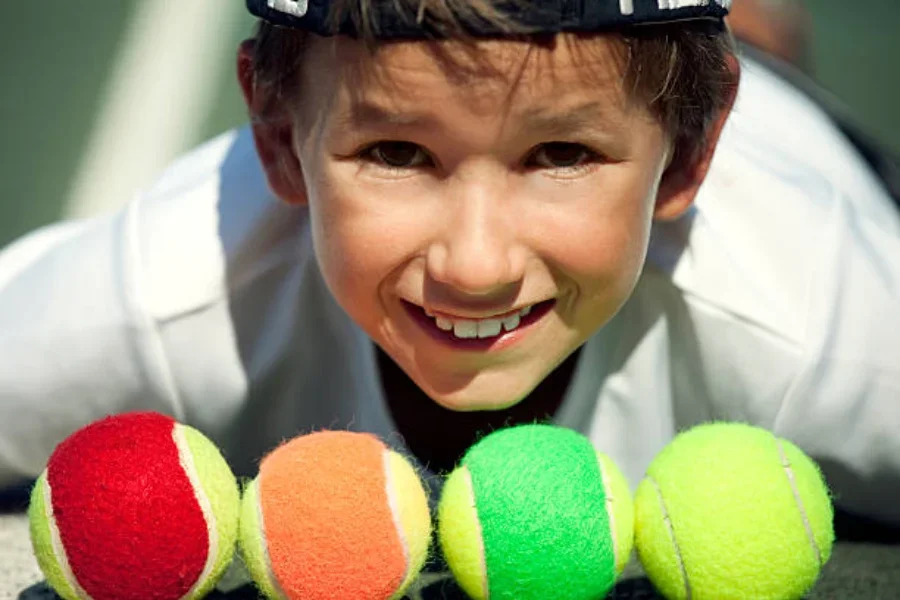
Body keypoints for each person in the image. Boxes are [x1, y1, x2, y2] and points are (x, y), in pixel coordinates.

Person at [0, 0, 898, 543]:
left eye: (560, 155)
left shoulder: (831, 336)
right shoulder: (159, 299)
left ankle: (759, 40)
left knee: (756, 52)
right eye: (396, 151)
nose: (476, 266)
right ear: (279, 137)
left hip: (791, 139)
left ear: (692, 152)